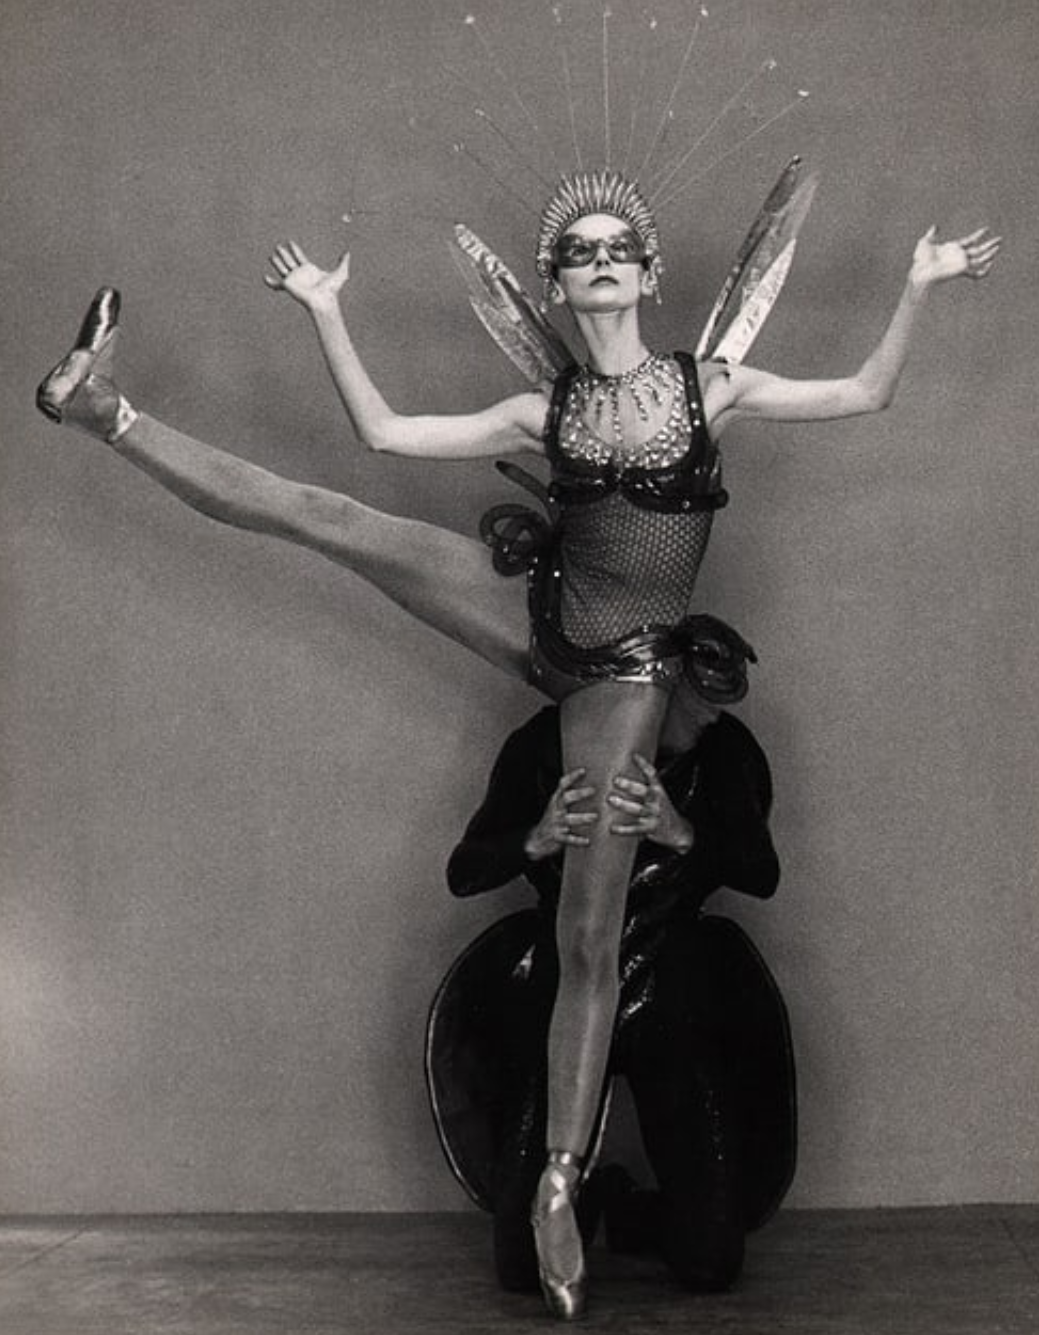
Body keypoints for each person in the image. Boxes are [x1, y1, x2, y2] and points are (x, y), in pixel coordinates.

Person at [36, 173, 999, 1319]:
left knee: (588, 934)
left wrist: (918, 285)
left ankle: (556, 1181)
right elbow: (383, 433)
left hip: (623, 672)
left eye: (615, 246)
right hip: (540, 609)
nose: (598, 260)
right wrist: (327, 312)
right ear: (555, 285)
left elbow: (866, 393)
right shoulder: (541, 411)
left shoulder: (712, 388)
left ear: (646, 272)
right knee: (333, 518)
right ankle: (100, 410)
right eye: (577, 251)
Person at [431, 682, 795, 1297]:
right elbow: (464, 870)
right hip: (560, 994)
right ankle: (576, 1198)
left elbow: (762, 872)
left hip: (668, 993)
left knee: (710, 1261)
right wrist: (535, 838)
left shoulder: (724, 749)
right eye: (691, 693)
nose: (710, 712)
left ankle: (628, 1209)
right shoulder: (542, 745)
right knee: (521, 1267)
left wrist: (685, 833)